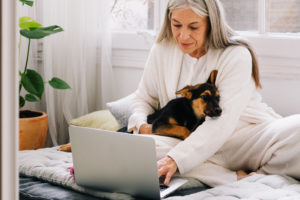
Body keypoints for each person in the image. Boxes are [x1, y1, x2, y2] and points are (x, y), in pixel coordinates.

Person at [127, 0, 300, 187]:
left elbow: (222, 122)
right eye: (176, 25)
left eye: (193, 27)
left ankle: (215, 170)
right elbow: (143, 98)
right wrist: (141, 124)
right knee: (138, 150)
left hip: (245, 139)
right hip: (187, 140)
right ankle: (234, 177)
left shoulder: (236, 55)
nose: (183, 35)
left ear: (212, 23)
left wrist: (176, 160)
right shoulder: (162, 49)